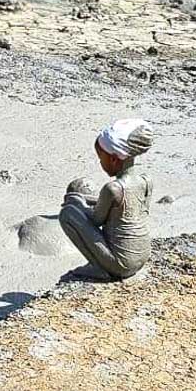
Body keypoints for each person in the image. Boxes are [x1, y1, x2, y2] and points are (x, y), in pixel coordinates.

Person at [59, 119, 155, 280]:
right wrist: (88, 200)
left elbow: (97, 220)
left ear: (113, 159)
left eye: (101, 158)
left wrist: (79, 203)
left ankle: (98, 267)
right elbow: (126, 209)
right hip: (142, 257)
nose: (101, 163)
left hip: (122, 264)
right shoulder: (145, 181)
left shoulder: (114, 188)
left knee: (67, 214)